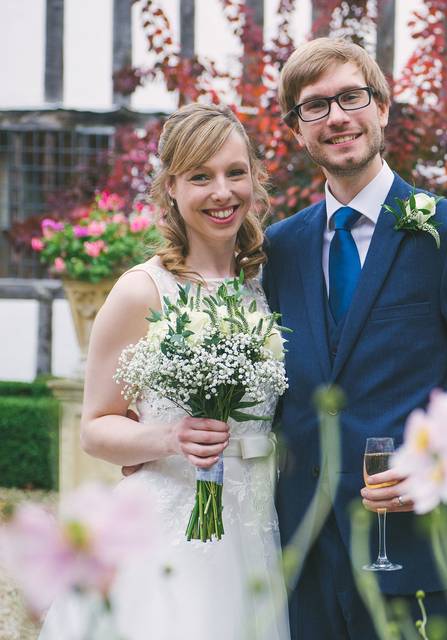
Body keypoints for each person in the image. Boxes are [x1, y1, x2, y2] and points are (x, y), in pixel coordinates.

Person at [262, 37, 447, 639]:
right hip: (303, 546)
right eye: (315, 106)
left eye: (351, 97)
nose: (336, 117)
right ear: (297, 129)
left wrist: (443, 470)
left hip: (411, 543)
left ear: (382, 107)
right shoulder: (279, 247)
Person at [39, 103, 290, 640]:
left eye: (235, 172)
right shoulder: (141, 291)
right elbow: (95, 428)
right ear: (171, 187)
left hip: (257, 521)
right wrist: (171, 437)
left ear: (254, 178)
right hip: (166, 529)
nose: (222, 193)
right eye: (201, 176)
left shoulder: (269, 282)